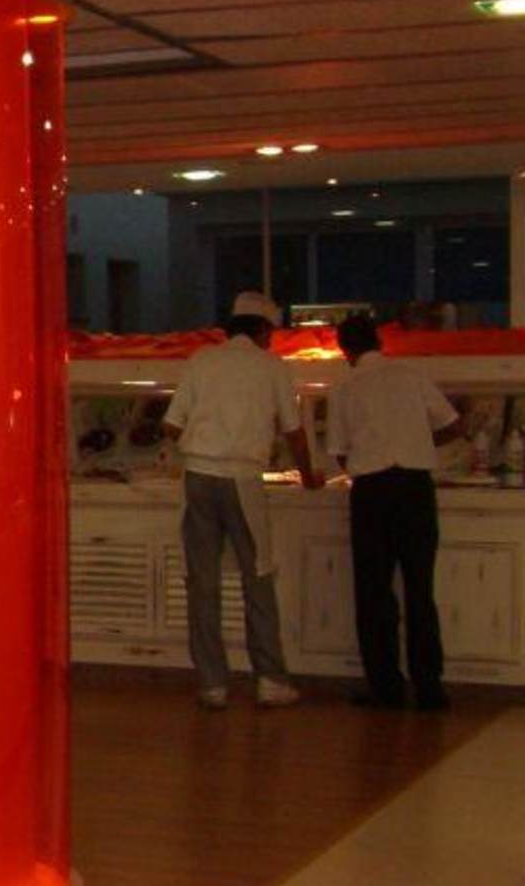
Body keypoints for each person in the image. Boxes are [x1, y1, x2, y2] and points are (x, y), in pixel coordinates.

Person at [161, 291, 324, 709]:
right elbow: (294, 430)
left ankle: (212, 684)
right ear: (264, 330)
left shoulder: (201, 360)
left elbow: (172, 425)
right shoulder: (272, 367)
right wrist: (309, 475)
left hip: (198, 477)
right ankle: (269, 678)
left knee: (202, 582)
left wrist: (199, 444)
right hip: (243, 478)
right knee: (258, 576)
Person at [327, 313, 462, 711]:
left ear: (344, 349)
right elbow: (453, 425)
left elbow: (339, 452)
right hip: (416, 487)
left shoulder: (344, 389)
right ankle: (429, 686)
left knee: (374, 591)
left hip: (371, 491)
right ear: (380, 341)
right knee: (420, 588)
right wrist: (419, 442)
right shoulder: (410, 375)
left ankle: (385, 685)